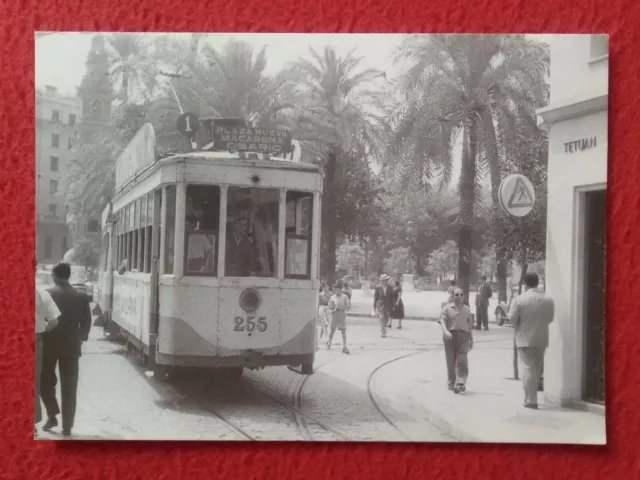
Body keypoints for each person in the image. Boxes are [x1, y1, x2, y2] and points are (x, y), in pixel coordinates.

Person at [40, 262, 92, 437]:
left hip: (49, 346)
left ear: (54, 275)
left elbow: (42, 321)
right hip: (72, 348)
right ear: (69, 276)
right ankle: (67, 427)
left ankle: (52, 413)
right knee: (69, 387)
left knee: (44, 382)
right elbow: (86, 321)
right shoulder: (82, 296)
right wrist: (81, 338)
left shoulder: (47, 294)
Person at [509, 272, 555, 409]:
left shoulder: (519, 299)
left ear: (525, 284)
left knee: (528, 367)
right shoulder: (548, 299)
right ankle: (530, 396)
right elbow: (550, 318)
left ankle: (531, 399)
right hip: (541, 338)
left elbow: (512, 320)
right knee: (537, 368)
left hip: (524, 338)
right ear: (537, 282)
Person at [35, 281, 60, 437]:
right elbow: (54, 321)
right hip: (35, 341)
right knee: (32, 383)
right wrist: (41, 331)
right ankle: (30, 425)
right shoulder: (42, 294)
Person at [438, 287, 474, 394]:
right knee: (450, 360)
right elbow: (442, 321)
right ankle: (451, 382)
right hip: (450, 337)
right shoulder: (447, 308)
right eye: (457, 295)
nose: (459, 297)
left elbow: (470, 326)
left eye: (461, 295)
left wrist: (471, 339)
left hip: (464, 337)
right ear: (453, 296)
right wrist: (446, 331)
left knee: (462, 359)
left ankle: (460, 383)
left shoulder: (467, 309)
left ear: (464, 297)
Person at [327, 281, 351, 354]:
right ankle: (329, 343)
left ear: (340, 289)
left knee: (343, 331)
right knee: (332, 330)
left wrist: (342, 307)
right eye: (334, 289)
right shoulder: (332, 297)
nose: (335, 291)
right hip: (334, 315)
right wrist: (331, 307)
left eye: (336, 289)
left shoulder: (344, 297)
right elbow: (330, 306)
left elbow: (348, 306)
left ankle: (344, 346)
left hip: (341, 314)